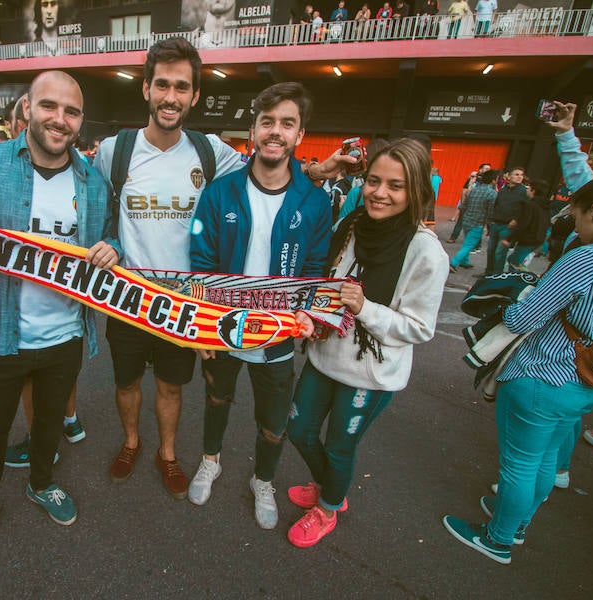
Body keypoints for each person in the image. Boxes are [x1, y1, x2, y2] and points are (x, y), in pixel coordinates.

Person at [0, 71, 120, 564]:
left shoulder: (92, 180)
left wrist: (110, 248)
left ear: (80, 121)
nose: (60, 119)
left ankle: (41, 483)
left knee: (48, 424)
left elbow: (110, 237)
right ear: (28, 108)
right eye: (49, 106)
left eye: (71, 112)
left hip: (64, 335)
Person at [442, 170, 593, 566]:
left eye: (576, 216)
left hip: (544, 372)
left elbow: (525, 319)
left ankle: (498, 539)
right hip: (592, 381)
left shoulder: (591, 259)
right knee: (544, 457)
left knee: (520, 464)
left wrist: (507, 298)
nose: (575, 225)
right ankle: (518, 523)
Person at [92, 37, 248, 500]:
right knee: (126, 384)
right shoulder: (114, 151)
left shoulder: (211, 152)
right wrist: (110, 242)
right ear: (145, 88)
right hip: (125, 296)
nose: (171, 97)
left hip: (182, 302)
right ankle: (131, 442)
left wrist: (319, 175)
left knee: (171, 387)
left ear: (195, 95)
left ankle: (167, 452)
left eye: (182, 87)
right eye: (162, 84)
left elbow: (264, 178)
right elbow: (97, 214)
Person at [285, 138, 449, 548]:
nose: (380, 193)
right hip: (325, 357)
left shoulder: (426, 252)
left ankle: (328, 506)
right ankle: (332, 489)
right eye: (374, 180)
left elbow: (419, 328)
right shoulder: (352, 224)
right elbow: (328, 285)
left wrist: (366, 308)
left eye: (396, 185)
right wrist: (310, 315)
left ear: (416, 192)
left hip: (371, 374)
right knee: (298, 428)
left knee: (340, 449)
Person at [186, 82, 328, 529]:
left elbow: (315, 270)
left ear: (299, 135)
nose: (275, 131)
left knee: (273, 421)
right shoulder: (220, 192)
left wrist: (306, 312)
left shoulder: (315, 201)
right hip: (225, 328)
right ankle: (211, 460)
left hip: (278, 335)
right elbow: (201, 264)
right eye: (267, 122)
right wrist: (202, 327)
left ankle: (262, 479)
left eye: (286, 123)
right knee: (216, 399)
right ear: (253, 129)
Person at [450, 169, 496, 271]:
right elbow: (490, 212)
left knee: (467, 242)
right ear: (493, 181)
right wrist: (489, 226)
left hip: (467, 220)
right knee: (469, 244)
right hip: (478, 223)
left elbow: (464, 205)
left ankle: (464, 261)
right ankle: (453, 263)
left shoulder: (473, 190)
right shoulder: (492, 194)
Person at [485, 167, 528, 275]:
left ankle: (497, 274)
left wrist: (516, 220)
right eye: (517, 174)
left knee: (500, 252)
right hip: (496, 223)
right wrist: (490, 221)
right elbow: (496, 205)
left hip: (508, 226)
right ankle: (488, 273)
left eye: (521, 175)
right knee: (490, 250)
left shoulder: (523, 191)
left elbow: (525, 210)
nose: (519, 177)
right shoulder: (503, 190)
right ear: (509, 176)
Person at [501, 179, 551, 270]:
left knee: (514, 263)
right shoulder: (545, 206)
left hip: (528, 239)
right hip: (538, 239)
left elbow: (523, 224)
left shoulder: (530, 205)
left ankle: (513, 282)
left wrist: (509, 239)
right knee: (518, 261)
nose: (527, 190)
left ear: (533, 190)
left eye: (529, 188)